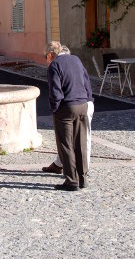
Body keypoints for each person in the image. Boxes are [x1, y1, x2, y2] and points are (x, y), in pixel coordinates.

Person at [45, 41, 92, 191]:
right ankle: (82, 179)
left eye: (46, 56)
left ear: (51, 54)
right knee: (80, 143)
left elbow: (55, 92)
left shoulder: (54, 65)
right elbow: (86, 82)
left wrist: (55, 109)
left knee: (66, 144)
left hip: (66, 107)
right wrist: (88, 100)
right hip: (82, 105)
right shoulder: (76, 60)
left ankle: (71, 181)